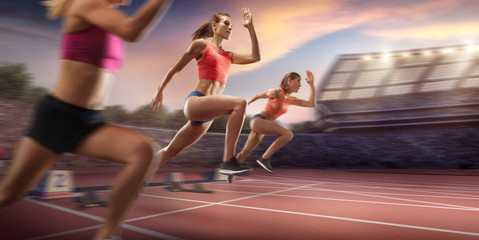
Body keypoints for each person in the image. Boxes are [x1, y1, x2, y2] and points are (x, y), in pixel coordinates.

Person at [0, 0, 171, 239]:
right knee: (7, 196)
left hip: (89, 122)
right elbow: (132, 31)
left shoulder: (107, 14)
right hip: (58, 117)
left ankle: (107, 235)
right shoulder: (85, 3)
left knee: (143, 152)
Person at [150, 9, 260, 176]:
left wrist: (250, 27)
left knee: (171, 150)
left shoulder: (229, 56)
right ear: (214, 26)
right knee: (240, 103)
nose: (230, 28)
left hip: (208, 116)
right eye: (226, 23)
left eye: (232, 26)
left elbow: (255, 57)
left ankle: (138, 175)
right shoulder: (202, 44)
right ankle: (228, 161)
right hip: (196, 102)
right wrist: (160, 90)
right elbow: (176, 68)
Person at [236, 71, 316, 175]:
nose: (300, 85)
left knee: (245, 152)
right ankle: (264, 158)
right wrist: (246, 104)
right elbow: (258, 95)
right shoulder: (277, 92)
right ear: (289, 81)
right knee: (288, 134)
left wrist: (311, 85)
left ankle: (230, 169)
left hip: (263, 125)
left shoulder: (291, 100)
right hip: (258, 120)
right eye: (298, 81)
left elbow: (311, 104)